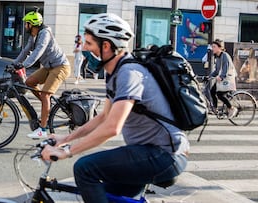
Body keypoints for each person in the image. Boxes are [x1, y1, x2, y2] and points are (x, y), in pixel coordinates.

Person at [41, 13, 189, 203]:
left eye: (89, 43)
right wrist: (64, 139)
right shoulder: (115, 72)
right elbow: (103, 117)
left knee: (84, 169)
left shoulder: (129, 73)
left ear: (106, 46)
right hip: (148, 152)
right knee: (109, 193)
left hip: (164, 156)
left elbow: (112, 127)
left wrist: (68, 151)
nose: (84, 49)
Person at [13, 8, 71, 139]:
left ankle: (42, 130)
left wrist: (24, 65)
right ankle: (47, 107)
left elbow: (38, 51)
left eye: (26, 23)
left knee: (45, 95)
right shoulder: (33, 36)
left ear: (32, 24)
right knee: (29, 82)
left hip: (60, 67)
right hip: (49, 67)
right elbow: (25, 51)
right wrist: (14, 63)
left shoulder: (45, 33)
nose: (25, 26)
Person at [209, 39, 238, 119]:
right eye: (212, 47)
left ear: (219, 48)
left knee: (219, 94)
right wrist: (209, 77)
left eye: (214, 47)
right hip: (222, 80)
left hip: (227, 79)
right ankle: (215, 108)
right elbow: (217, 70)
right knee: (212, 91)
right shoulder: (218, 57)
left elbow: (226, 67)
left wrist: (221, 77)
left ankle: (232, 108)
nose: (213, 49)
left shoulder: (224, 55)